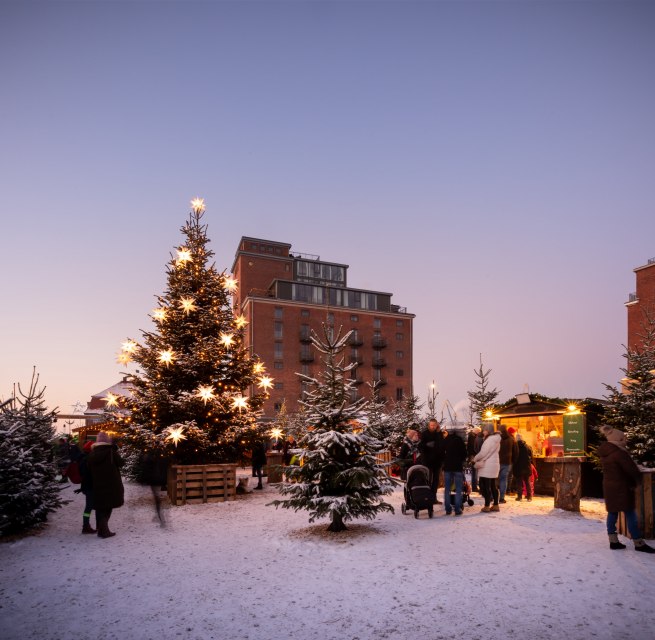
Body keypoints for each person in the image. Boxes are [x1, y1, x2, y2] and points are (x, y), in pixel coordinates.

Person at [598, 426, 654, 553]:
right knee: (630, 513)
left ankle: (613, 541)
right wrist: (638, 479)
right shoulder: (619, 453)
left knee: (612, 512)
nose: (625, 440)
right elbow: (632, 470)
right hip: (622, 487)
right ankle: (638, 543)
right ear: (618, 439)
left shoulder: (606, 452)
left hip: (609, 486)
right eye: (623, 438)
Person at [87, 432, 124, 538]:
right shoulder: (111, 452)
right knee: (108, 506)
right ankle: (104, 530)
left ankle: (102, 530)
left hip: (97, 484)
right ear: (107, 441)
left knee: (101, 507)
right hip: (112, 483)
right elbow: (121, 463)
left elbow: (88, 468)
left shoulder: (92, 453)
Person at [473, 425, 501, 512]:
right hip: (494, 465)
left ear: (488, 431)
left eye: (485, 430)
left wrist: (475, 459)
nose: (483, 432)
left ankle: (487, 506)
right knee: (493, 486)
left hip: (487, 465)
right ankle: (496, 505)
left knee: (485, 486)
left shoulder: (489, 440)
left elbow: (483, 453)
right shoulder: (496, 440)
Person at [418, 419, 445, 504]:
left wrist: (443, 458)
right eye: (431, 425)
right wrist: (426, 445)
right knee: (428, 479)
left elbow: (442, 447)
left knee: (436, 480)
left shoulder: (439, 434)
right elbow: (420, 446)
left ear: (437, 425)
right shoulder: (425, 433)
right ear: (429, 425)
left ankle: (434, 498)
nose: (433, 426)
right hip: (427, 461)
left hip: (437, 461)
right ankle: (427, 497)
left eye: (434, 425)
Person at [442, 430, 468, 516]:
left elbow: (441, 453)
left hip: (447, 467)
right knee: (458, 489)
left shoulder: (445, 440)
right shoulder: (460, 440)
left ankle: (448, 509)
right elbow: (464, 454)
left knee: (447, 489)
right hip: (457, 467)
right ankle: (457, 509)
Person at [77, 440, 96, 534]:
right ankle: (86, 526)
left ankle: (86, 525)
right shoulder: (87, 460)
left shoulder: (82, 458)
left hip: (86, 486)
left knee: (89, 506)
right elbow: (89, 474)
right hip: (90, 486)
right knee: (89, 507)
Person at [497, 424, 518, 503]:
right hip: (507, 462)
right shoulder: (511, 439)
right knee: (504, 479)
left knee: (495, 479)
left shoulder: (497, 438)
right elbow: (516, 451)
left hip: (497, 461)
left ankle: (493, 496)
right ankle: (502, 497)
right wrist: (513, 461)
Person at [513, 434, 533, 501]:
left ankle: (519, 496)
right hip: (526, 466)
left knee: (519, 482)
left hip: (518, 467)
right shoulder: (528, 447)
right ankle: (529, 496)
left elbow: (514, 457)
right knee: (527, 482)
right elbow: (531, 456)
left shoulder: (515, 446)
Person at [466, 426, 481, 492]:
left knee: (474, 472)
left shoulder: (471, 437)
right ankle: (474, 487)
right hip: (473, 456)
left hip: (472, 455)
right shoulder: (473, 438)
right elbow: (474, 447)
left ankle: (474, 486)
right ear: (477, 432)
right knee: (475, 472)